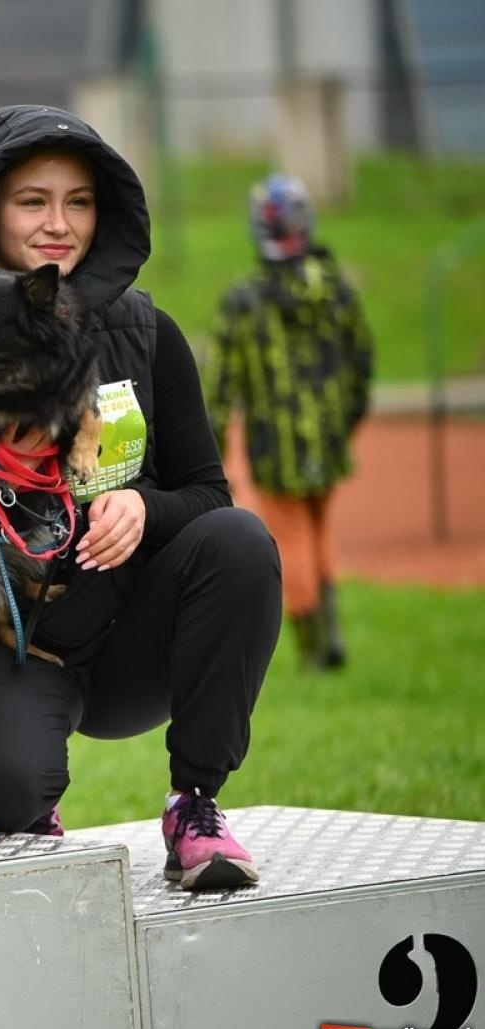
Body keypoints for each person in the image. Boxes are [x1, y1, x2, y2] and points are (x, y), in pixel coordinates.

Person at [0, 105, 282, 891]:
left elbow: (208, 490)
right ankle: (30, 807)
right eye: (33, 201)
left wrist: (145, 507)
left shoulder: (147, 332)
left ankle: (195, 802)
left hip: (133, 632)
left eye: (80, 201)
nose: (59, 224)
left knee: (240, 540)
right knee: (1, 790)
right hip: (11, 647)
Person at [208, 173, 373, 670]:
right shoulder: (337, 287)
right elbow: (361, 359)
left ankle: (312, 650)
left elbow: (221, 387)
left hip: (274, 448)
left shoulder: (244, 300)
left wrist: (212, 453)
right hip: (329, 434)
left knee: (291, 540)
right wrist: (346, 421)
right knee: (319, 531)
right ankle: (333, 627)